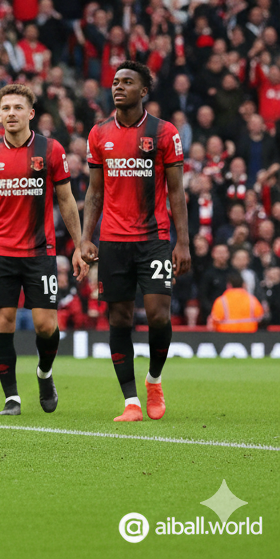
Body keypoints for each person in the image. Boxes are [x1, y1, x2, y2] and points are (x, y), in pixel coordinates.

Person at [0, 83, 86, 415]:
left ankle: (45, 372)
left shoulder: (51, 150)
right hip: (1, 251)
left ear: (31, 114)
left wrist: (79, 245)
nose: (11, 113)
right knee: (4, 321)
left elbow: (67, 200)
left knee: (45, 325)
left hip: (40, 251)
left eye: (17, 107)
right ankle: (12, 397)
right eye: (6, 108)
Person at [80, 61, 190, 422]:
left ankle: (154, 380)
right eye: (115, 82)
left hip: (154, 239)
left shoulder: (164, 132)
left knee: (159, 315)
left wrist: (182, 242)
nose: (118, 87)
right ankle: (131, 402)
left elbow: (176, 191)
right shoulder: (98, 134)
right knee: (119, 318)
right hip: (113, 241)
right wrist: (86, 238)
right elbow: (94, 193)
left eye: (127, 82)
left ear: (144, 91)